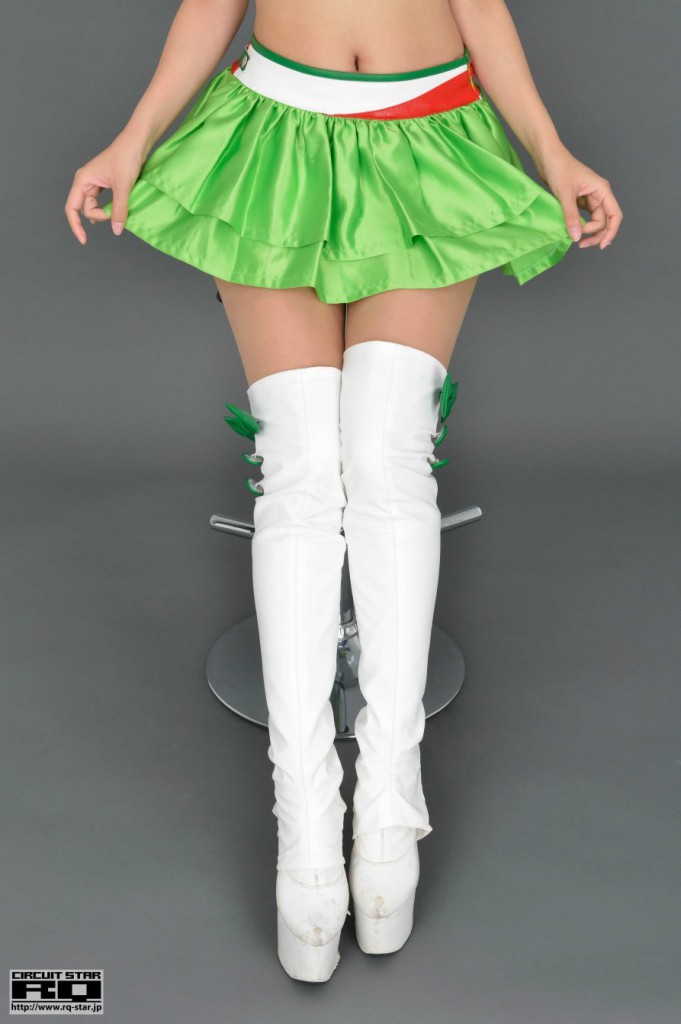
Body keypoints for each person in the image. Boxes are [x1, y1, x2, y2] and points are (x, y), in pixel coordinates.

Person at [65, 0, 623, 984]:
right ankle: (307, 835)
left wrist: (553, 152)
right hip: (274, 138)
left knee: (385, 453)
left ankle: (389, 812)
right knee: (301, 462)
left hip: (428, 135)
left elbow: (479, 7)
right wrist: (132, 137)